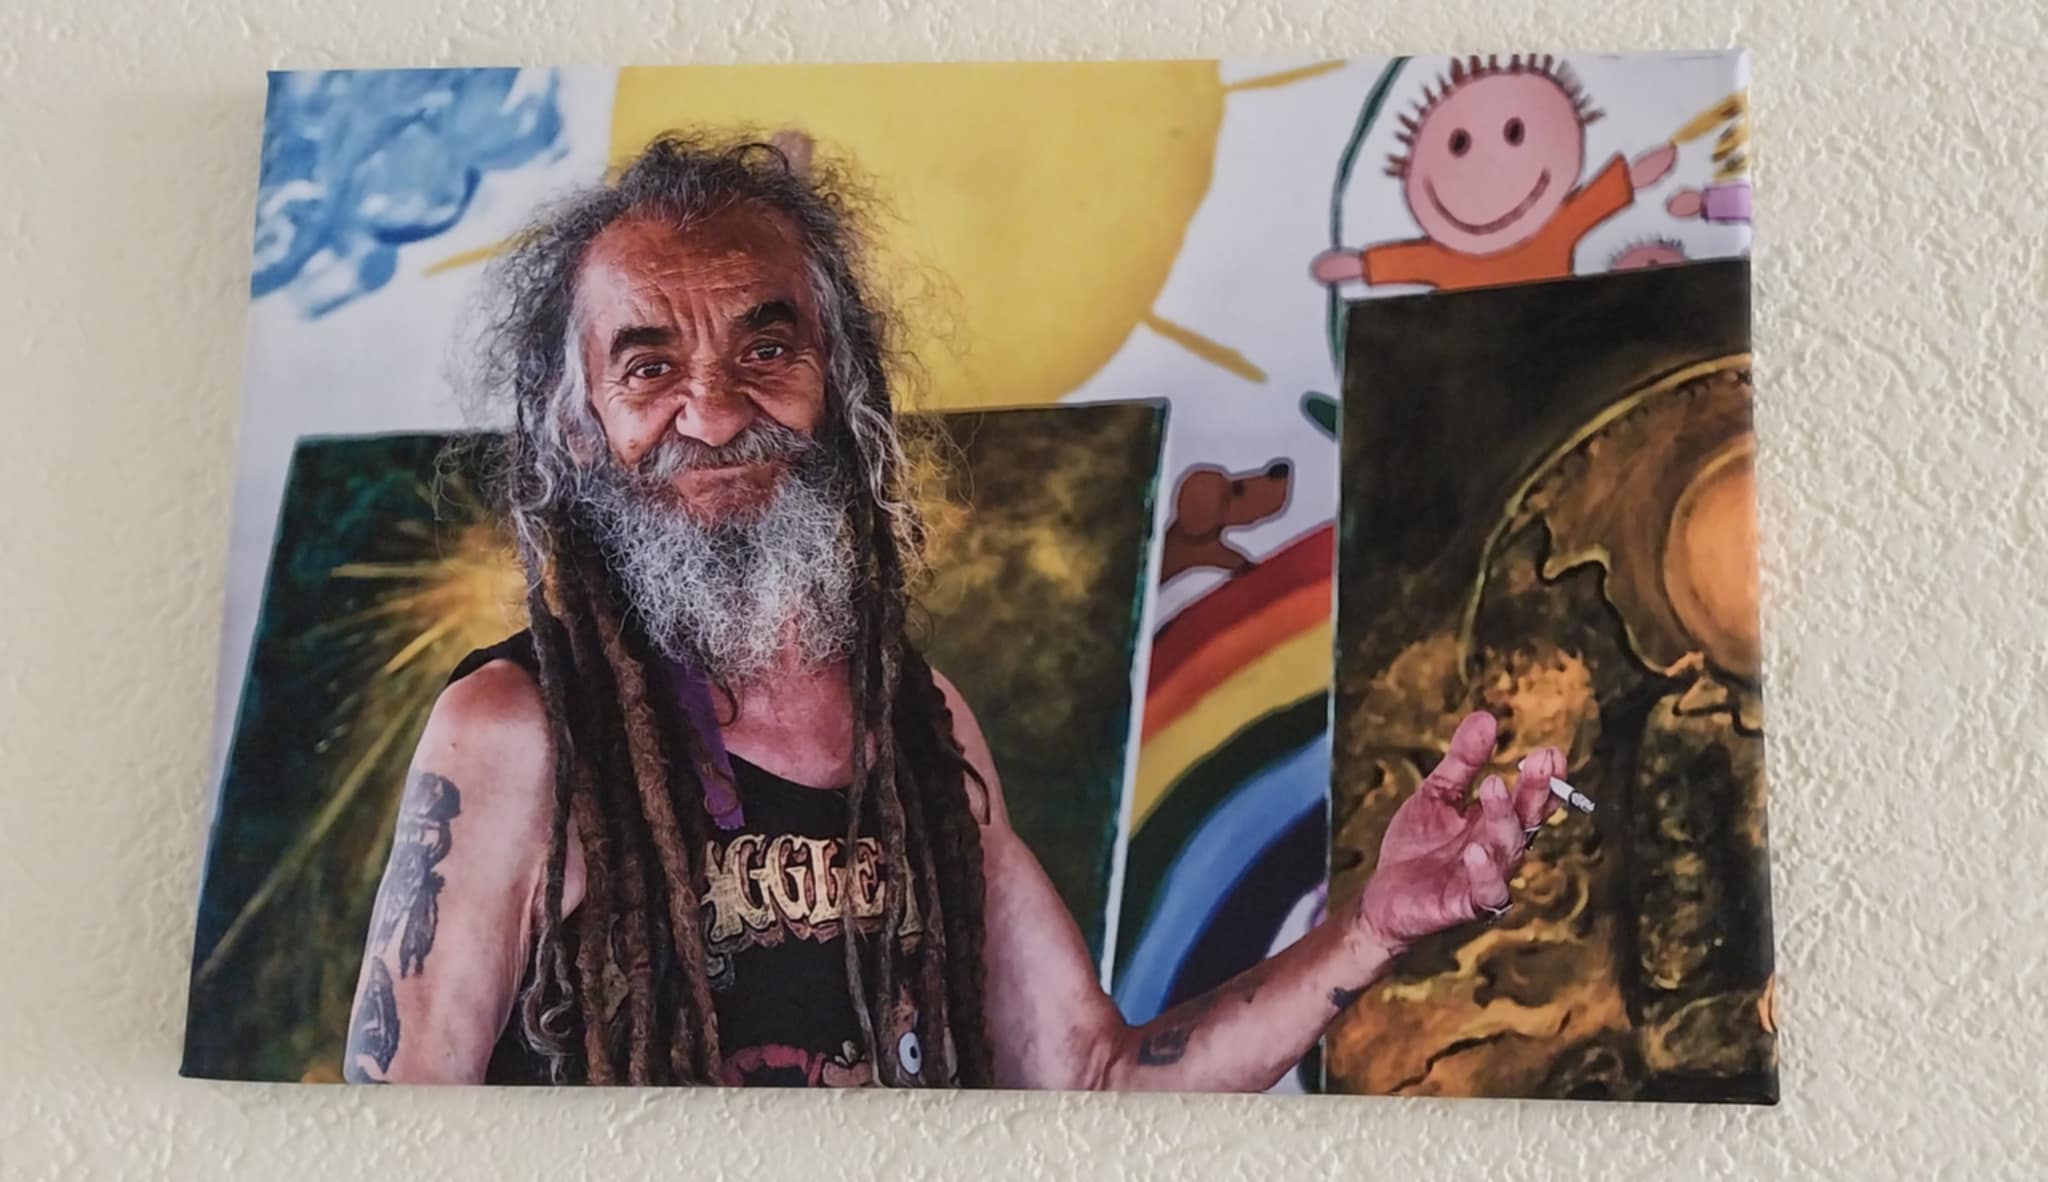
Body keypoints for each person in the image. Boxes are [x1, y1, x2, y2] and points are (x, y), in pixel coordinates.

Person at [343, 133, 1566, 1089]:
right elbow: (392, 1135)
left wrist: (1366, 930)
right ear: (577, 425)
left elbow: (1091, 1079)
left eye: (765, 352)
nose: (710, 416)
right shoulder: (511, 732)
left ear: (839, 387)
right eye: (648, 367)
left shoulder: (921, 728)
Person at [1312, 55, 1676, 292]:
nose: (1488, 170)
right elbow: (1406, 261)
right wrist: (1361, 265)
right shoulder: (1445, 260)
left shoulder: (1554, 229)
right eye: (1458, 144)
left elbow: (1595, 201)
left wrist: (1634, 177)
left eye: (1515, 133)